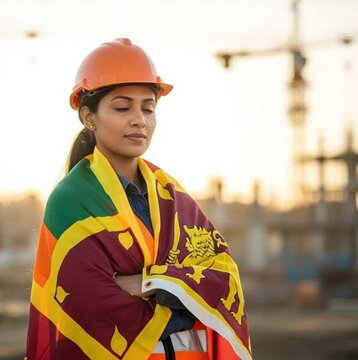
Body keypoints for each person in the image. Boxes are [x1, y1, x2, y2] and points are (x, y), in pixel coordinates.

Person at [25, 38, 252, 360]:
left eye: (148, 108)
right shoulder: (71, 199)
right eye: (122, 107)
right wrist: (187, 298)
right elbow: (91, 304)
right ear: (89, 116)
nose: (139, 120)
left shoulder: (172, 195)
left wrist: (148, 284)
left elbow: (224, 276)